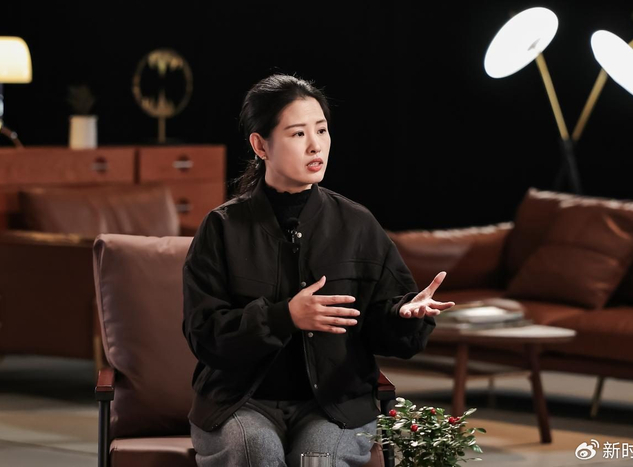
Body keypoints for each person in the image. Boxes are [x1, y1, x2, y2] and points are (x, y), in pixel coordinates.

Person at [182, 74, 455, 467]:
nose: (316, 145)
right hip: (240, 401)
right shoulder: (222, 228)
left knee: (317, 459)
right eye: (298, 134)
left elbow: (385, 327)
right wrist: (284, 317)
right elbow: (204, 333)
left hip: (335, 404)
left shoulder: (357, 224)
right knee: (256, 451)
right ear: (260, 145)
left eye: (322, 130)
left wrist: (403, 315)